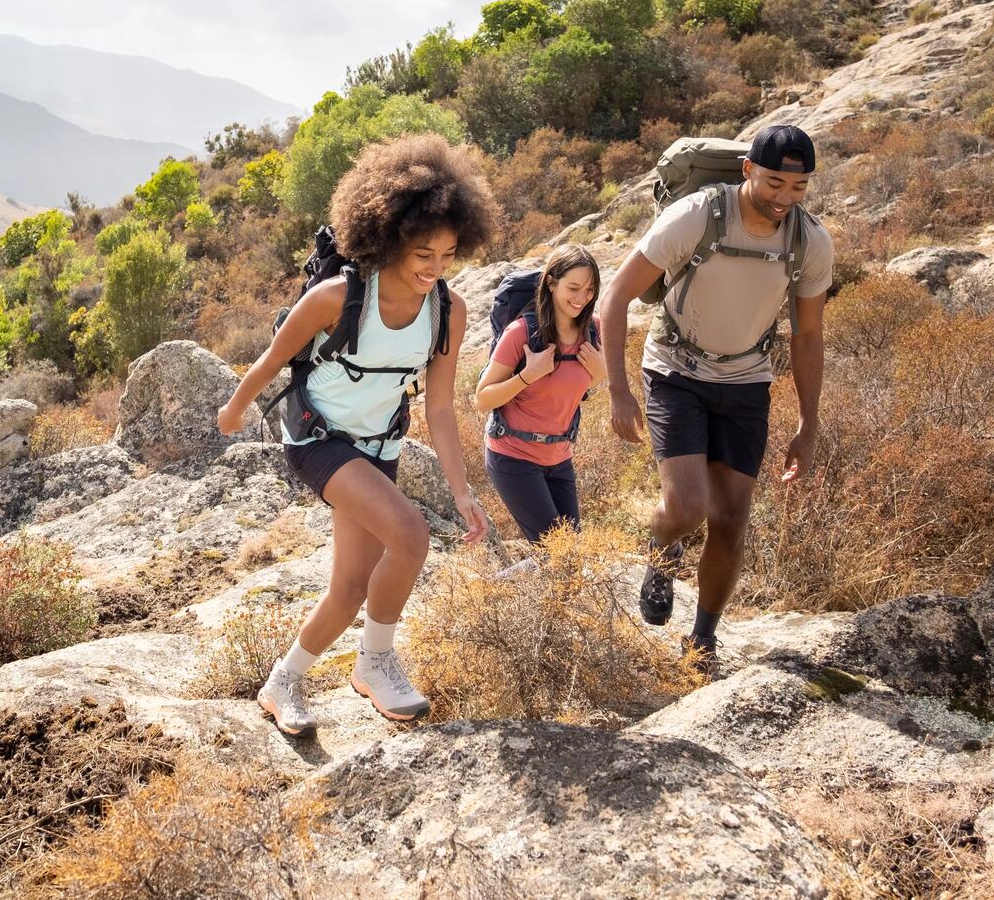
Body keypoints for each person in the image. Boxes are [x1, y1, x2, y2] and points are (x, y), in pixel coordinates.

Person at [216, 135, 495, 738]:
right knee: (412, 535)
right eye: (423, 252)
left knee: (348, 588)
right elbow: (270, 360)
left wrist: (463, 491)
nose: (434, 268)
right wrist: (235, 408)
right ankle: (376, 662)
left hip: (379, 447)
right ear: (389, 236)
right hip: (318, 439)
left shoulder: (450, 311)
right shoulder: (338, 298)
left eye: (447, 255)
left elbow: (441, 410)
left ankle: (281, 682)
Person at [598, 125, 832, 678]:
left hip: (747, 381)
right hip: (675, 370)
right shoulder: (698, 216)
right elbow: (616, 297)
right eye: (775, 182)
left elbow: (807, 335)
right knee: (687, 505)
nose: (785, 198)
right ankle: (661, 547)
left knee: (731, 516)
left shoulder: (809, 241)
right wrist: (618, 389)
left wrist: (808, 422)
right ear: (748, 169)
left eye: (798, 188)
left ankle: (702, 640)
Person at [474, 245, 604, 543]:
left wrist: (601, 373)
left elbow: (586, 383)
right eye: (573, 287)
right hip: (513, 457)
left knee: (568, 553)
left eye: (590, 290)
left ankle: (503, 582)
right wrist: (526, 375)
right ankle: (498, 587)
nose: (582, 298)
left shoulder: (594, 331)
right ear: (551, 282)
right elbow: (483, 398)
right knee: (559, 555)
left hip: (560, 459)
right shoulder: (521, 333)